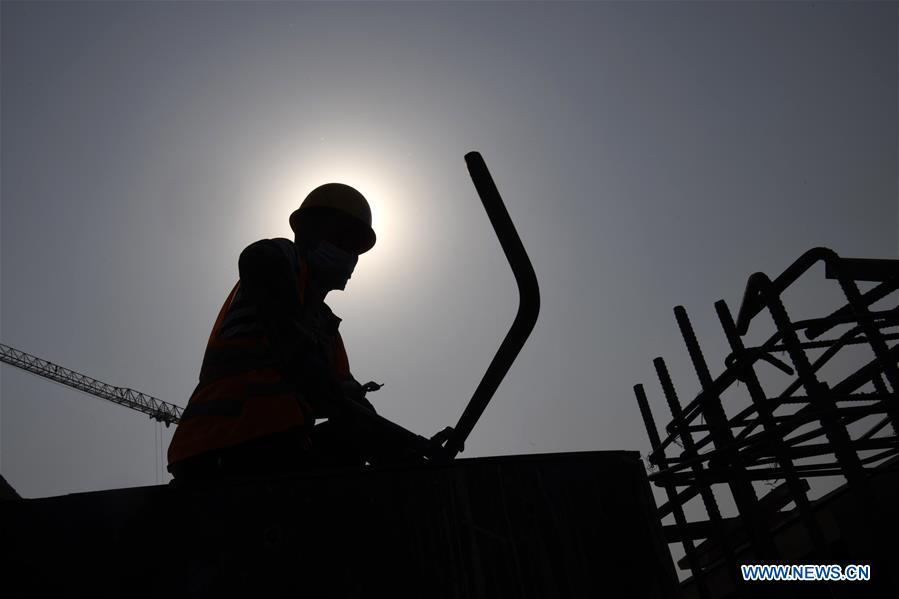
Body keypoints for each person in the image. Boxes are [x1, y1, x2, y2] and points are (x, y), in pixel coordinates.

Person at [167, 183, 382, 480]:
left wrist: (410, 453)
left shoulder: (327, 328)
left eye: (355, 249)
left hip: (280, 447)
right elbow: (257, 257)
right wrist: (295, 341)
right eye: (342, 239)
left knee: (358, 435)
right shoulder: (284, 260)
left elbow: (355, 408)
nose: (350, 257)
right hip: (216, 448)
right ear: (308, 232)